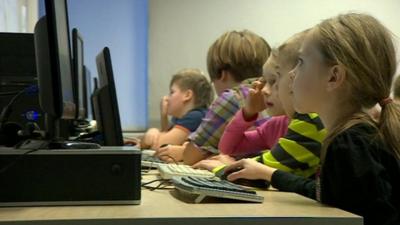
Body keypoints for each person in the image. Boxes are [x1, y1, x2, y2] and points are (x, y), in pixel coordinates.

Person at [224, 13, 400, 225]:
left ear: (334, 77)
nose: (291, 75)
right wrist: (271, 174)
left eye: (300, 62)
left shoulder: (349, 144)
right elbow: (326, 192)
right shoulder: (352, 136)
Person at [195, 31, 326, 179]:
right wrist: (248, 112)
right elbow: (228, 149)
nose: (264, 90)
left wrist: (225, 168)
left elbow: (266, 169)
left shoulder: (311, 121)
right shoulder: (275, 125)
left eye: (274, 80)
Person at [181, 30, 271, 165]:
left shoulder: (232, 98)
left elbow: (190, 157)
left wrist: (184, 151)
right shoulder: (273, 94)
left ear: (222, 74)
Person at [141, 69, 213, 153]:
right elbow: (166, 136)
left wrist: (153, 131)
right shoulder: (179, 118)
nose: (166, 98)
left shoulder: (196, 116)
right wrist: (163, 116)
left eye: (172, 92)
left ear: (187, 95)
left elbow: (160, 145)